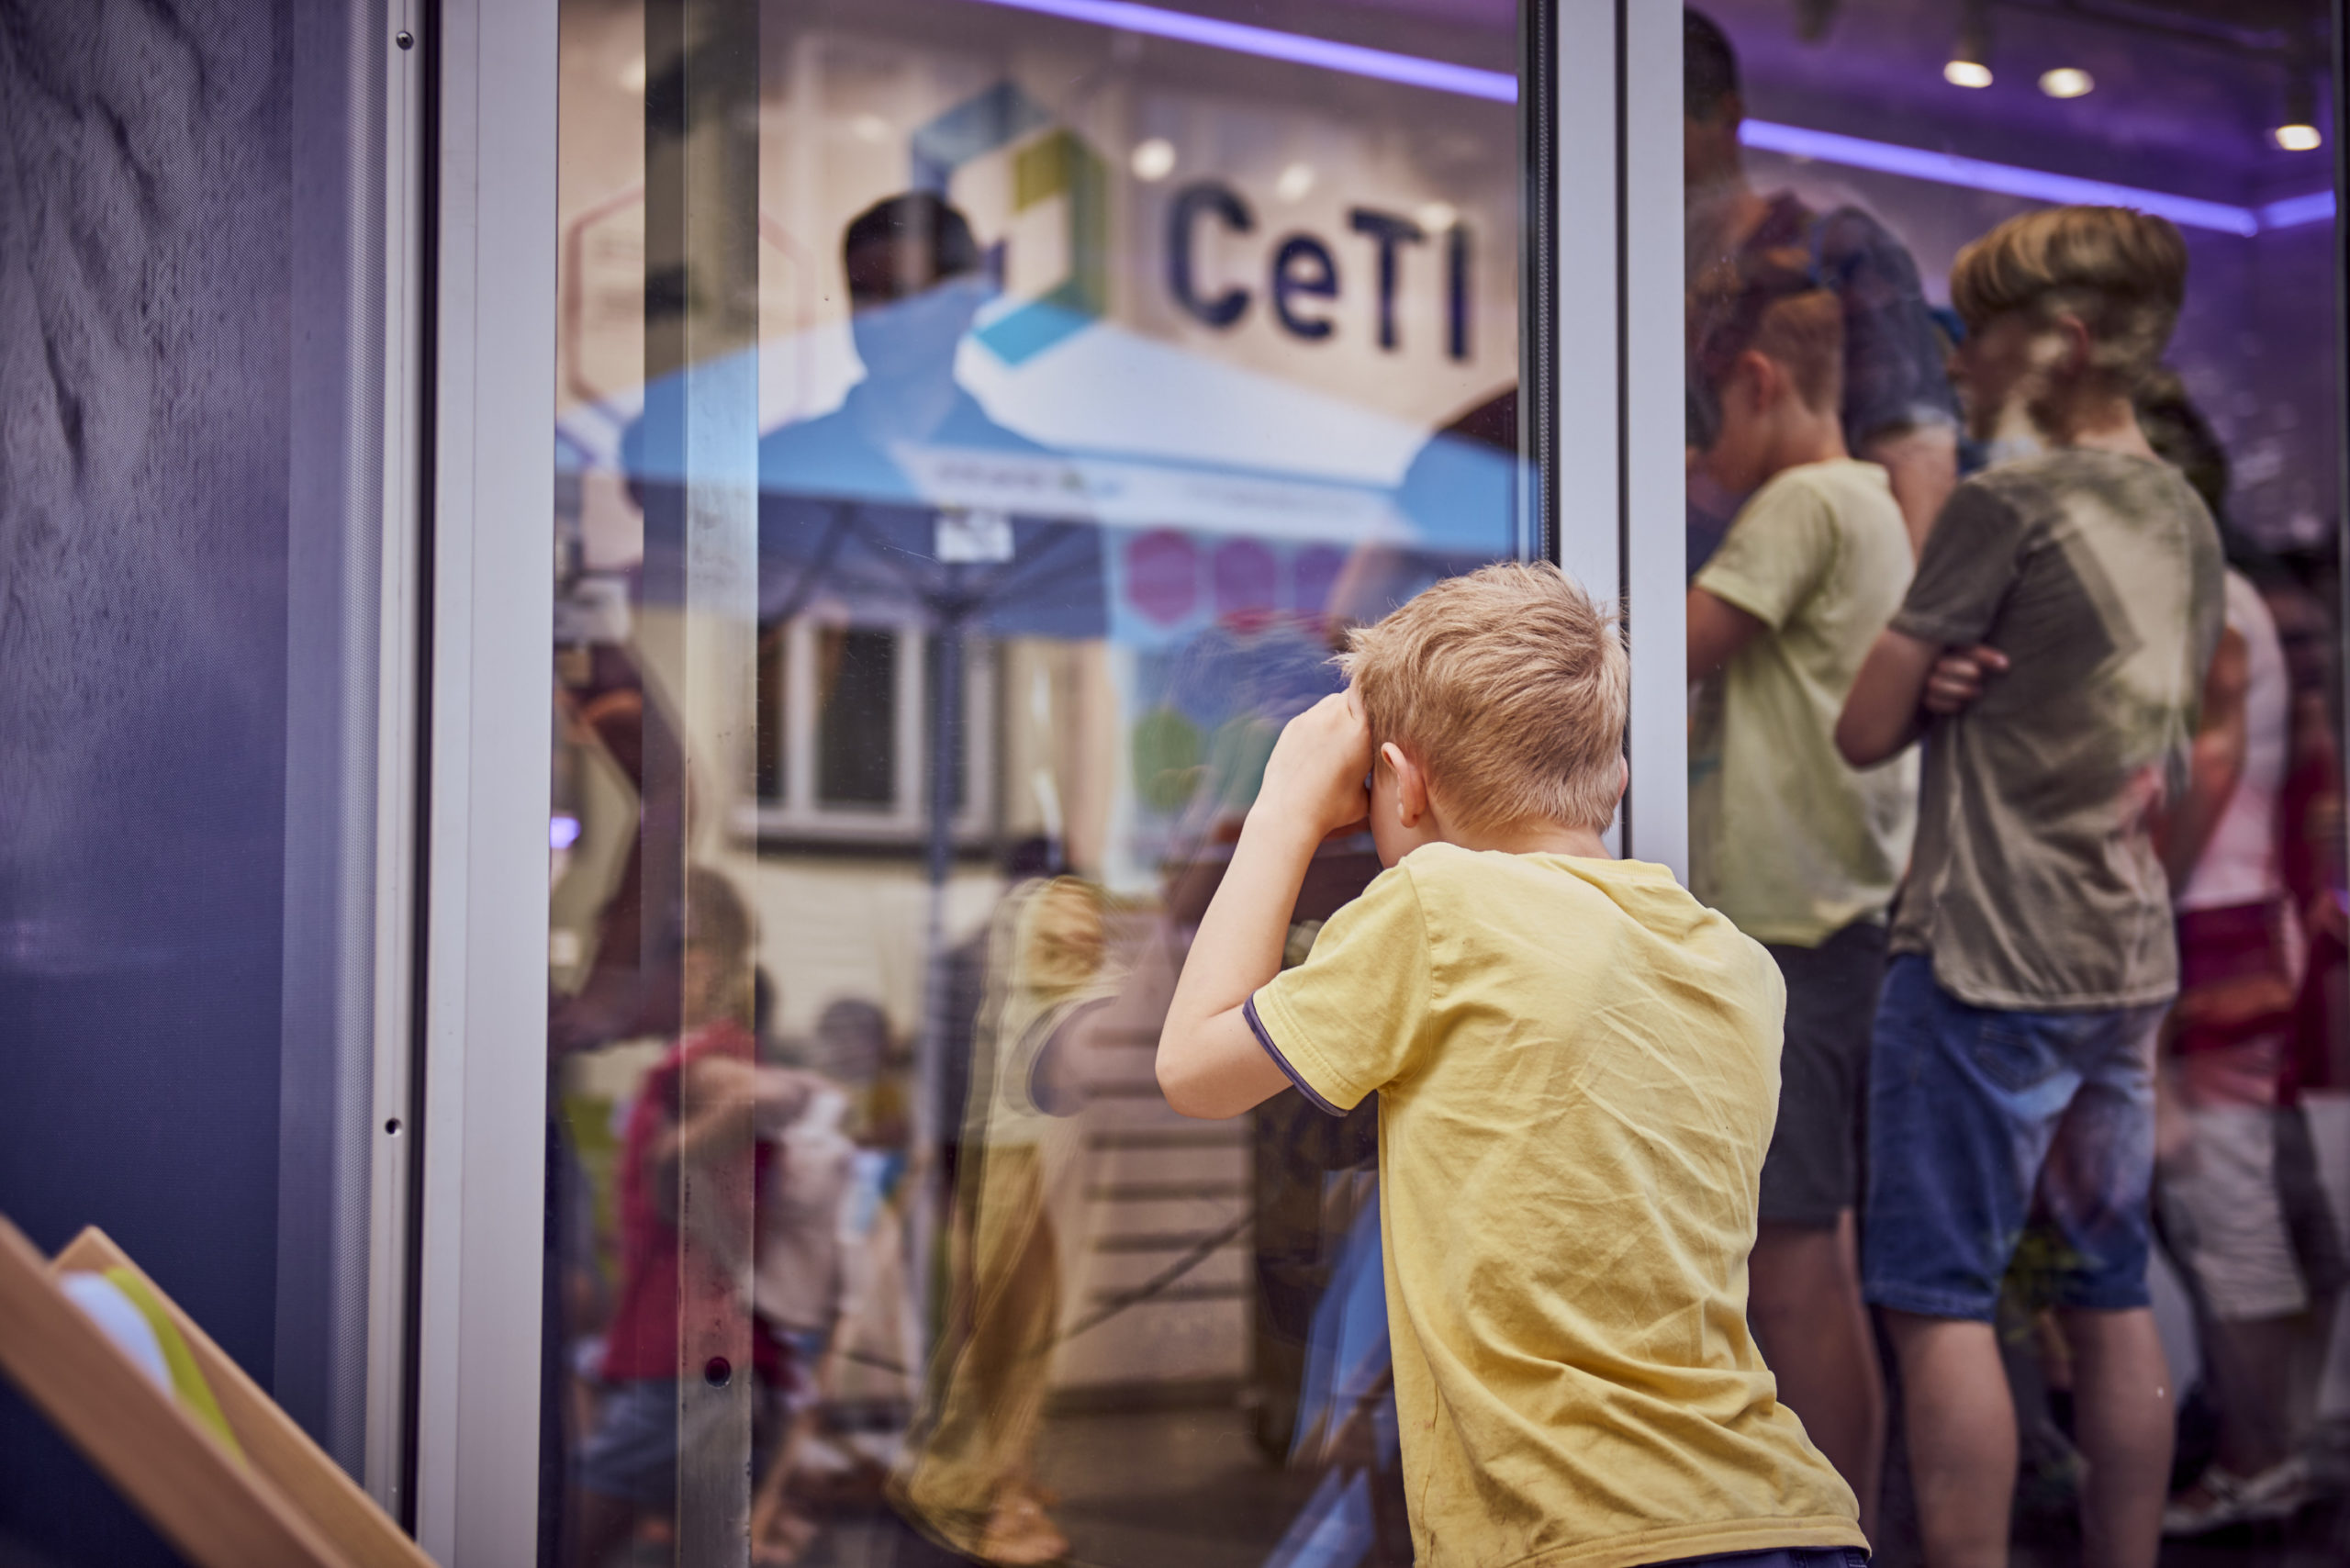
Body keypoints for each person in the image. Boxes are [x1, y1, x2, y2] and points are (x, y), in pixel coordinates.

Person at [1158, 563, 1868, 1568]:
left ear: (1400, 782)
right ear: (1614, 779)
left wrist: (1282, 808)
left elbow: (1194, 1066)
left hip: (1584, 1537)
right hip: (1784, 1513)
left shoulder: (1437, 910)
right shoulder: (1734, 962)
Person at [1836, 205, 2224, 1568]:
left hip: (1980, 961)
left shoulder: (2005, 504)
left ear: (2058, 341)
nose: (1956, 355)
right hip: (2122, 961)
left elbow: (1861, 726)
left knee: (1941, 1301)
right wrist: (1953, 676)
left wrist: (1924, 676)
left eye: (1983, 328)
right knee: (2108, 1290)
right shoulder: (2182, 515)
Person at [1685, 266, 1916, 1535]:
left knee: (1791, 1261)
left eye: (1713, 415)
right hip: (1838, 921)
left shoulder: (1803, 502)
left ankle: (1834, 1534)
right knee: (1806, 1248)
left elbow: (1662, 645)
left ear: (1762, 385)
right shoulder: (1868, 504)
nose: (1707, 450)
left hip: (1794, 931)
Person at [2133, 372, 2347, 1534]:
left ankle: (2264, 1461)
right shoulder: (2224, 594)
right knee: (2242, 1209)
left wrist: (2134, 891)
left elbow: (2209, 774)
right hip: (2235, 936)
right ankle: (2280, 1450)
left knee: (2232, 1214)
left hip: (2216, 945)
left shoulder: (2209, 597)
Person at [573, 868, 821, 1568]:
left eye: (627, 961)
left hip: (689, 1356)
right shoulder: (693, 1062)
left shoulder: (707, 1064)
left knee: (571, 1537)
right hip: (696, 1350)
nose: (611, 979)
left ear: (698, 966)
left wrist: (674, 1152)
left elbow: (780, 1095)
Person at [891, 875, 1120, 1564]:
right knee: (1001, 1328)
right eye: (1071, 925)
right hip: (1003, 1153)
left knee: (1010, 1323)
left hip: (1007, 1149)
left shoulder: (992, 949)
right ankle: (983, 1490)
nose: (1084, 935)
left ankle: (996, 1474)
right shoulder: (1018, 953)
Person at [1684, 7, 1959, 567]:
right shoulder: (1621, 278)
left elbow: (1914, 447)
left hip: (1804, 608)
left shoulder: (1837, 251)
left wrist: (1907, 640)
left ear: (1726, 117)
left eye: (1654, 129)